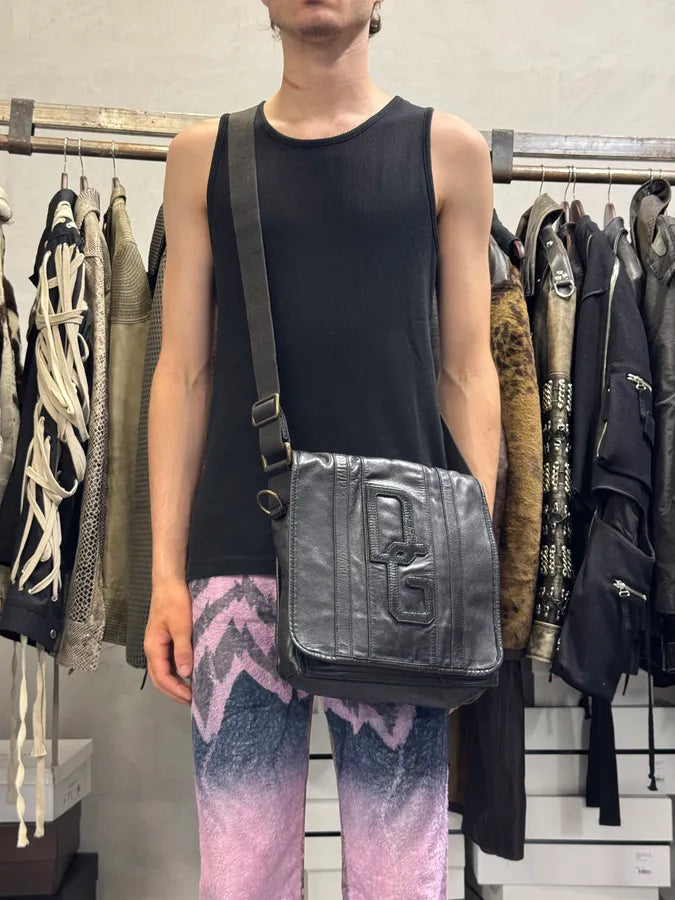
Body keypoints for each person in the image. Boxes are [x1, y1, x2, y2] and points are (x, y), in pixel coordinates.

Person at [144, 1, 500, 897]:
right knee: (241, 871)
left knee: (399, 872)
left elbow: (468, 370)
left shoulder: (447, 151)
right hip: (239, 555)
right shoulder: (202, 156)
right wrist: (164, 574)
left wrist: (468, 559)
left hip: (401, 568)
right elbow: (181, 372)